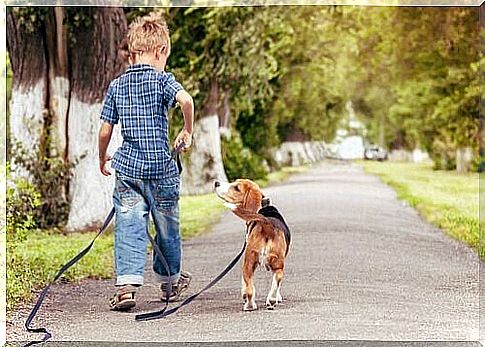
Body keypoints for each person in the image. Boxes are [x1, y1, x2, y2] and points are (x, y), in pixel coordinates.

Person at [98, 14, 194, 311]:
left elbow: (105, 130)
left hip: (128, 171)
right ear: (161, 51)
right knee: (167, 226)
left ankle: (126, 287)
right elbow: (187, 100)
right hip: (162, 171)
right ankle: (169, 284)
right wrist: (187, 130)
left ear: (133, 51)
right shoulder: (163, 80)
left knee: (128, 225)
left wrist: (102, 158)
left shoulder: (117, 85)